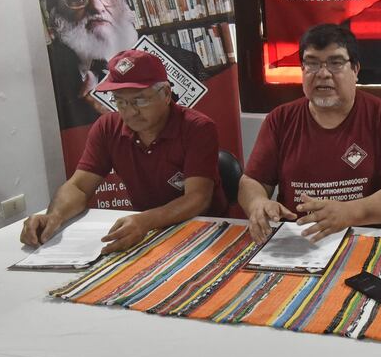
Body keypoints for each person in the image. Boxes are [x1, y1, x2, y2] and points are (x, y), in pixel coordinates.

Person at [20, 49, 228, 254]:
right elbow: (79, 187)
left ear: (165, 93)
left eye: (140, 100)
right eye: (120, 101)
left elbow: (198, 198)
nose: (130, 111)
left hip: (202, 231)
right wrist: (54, 217)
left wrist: (145, 220)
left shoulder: (197, 128)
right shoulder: (107, 127)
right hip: (144, 231)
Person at [239, 24, 381, 244]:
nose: (323, 74)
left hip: (366, 240)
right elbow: (251, 182)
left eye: (335, 63)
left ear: (355, 70)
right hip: (299, 241)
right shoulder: (280, 119)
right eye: (312, 63)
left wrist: (349, 212)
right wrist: (257, 203)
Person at [45, 0, 139, 129]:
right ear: (55, 13)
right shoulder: (44, 79)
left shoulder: (185, 61)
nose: (97, 7)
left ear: (123, 6)